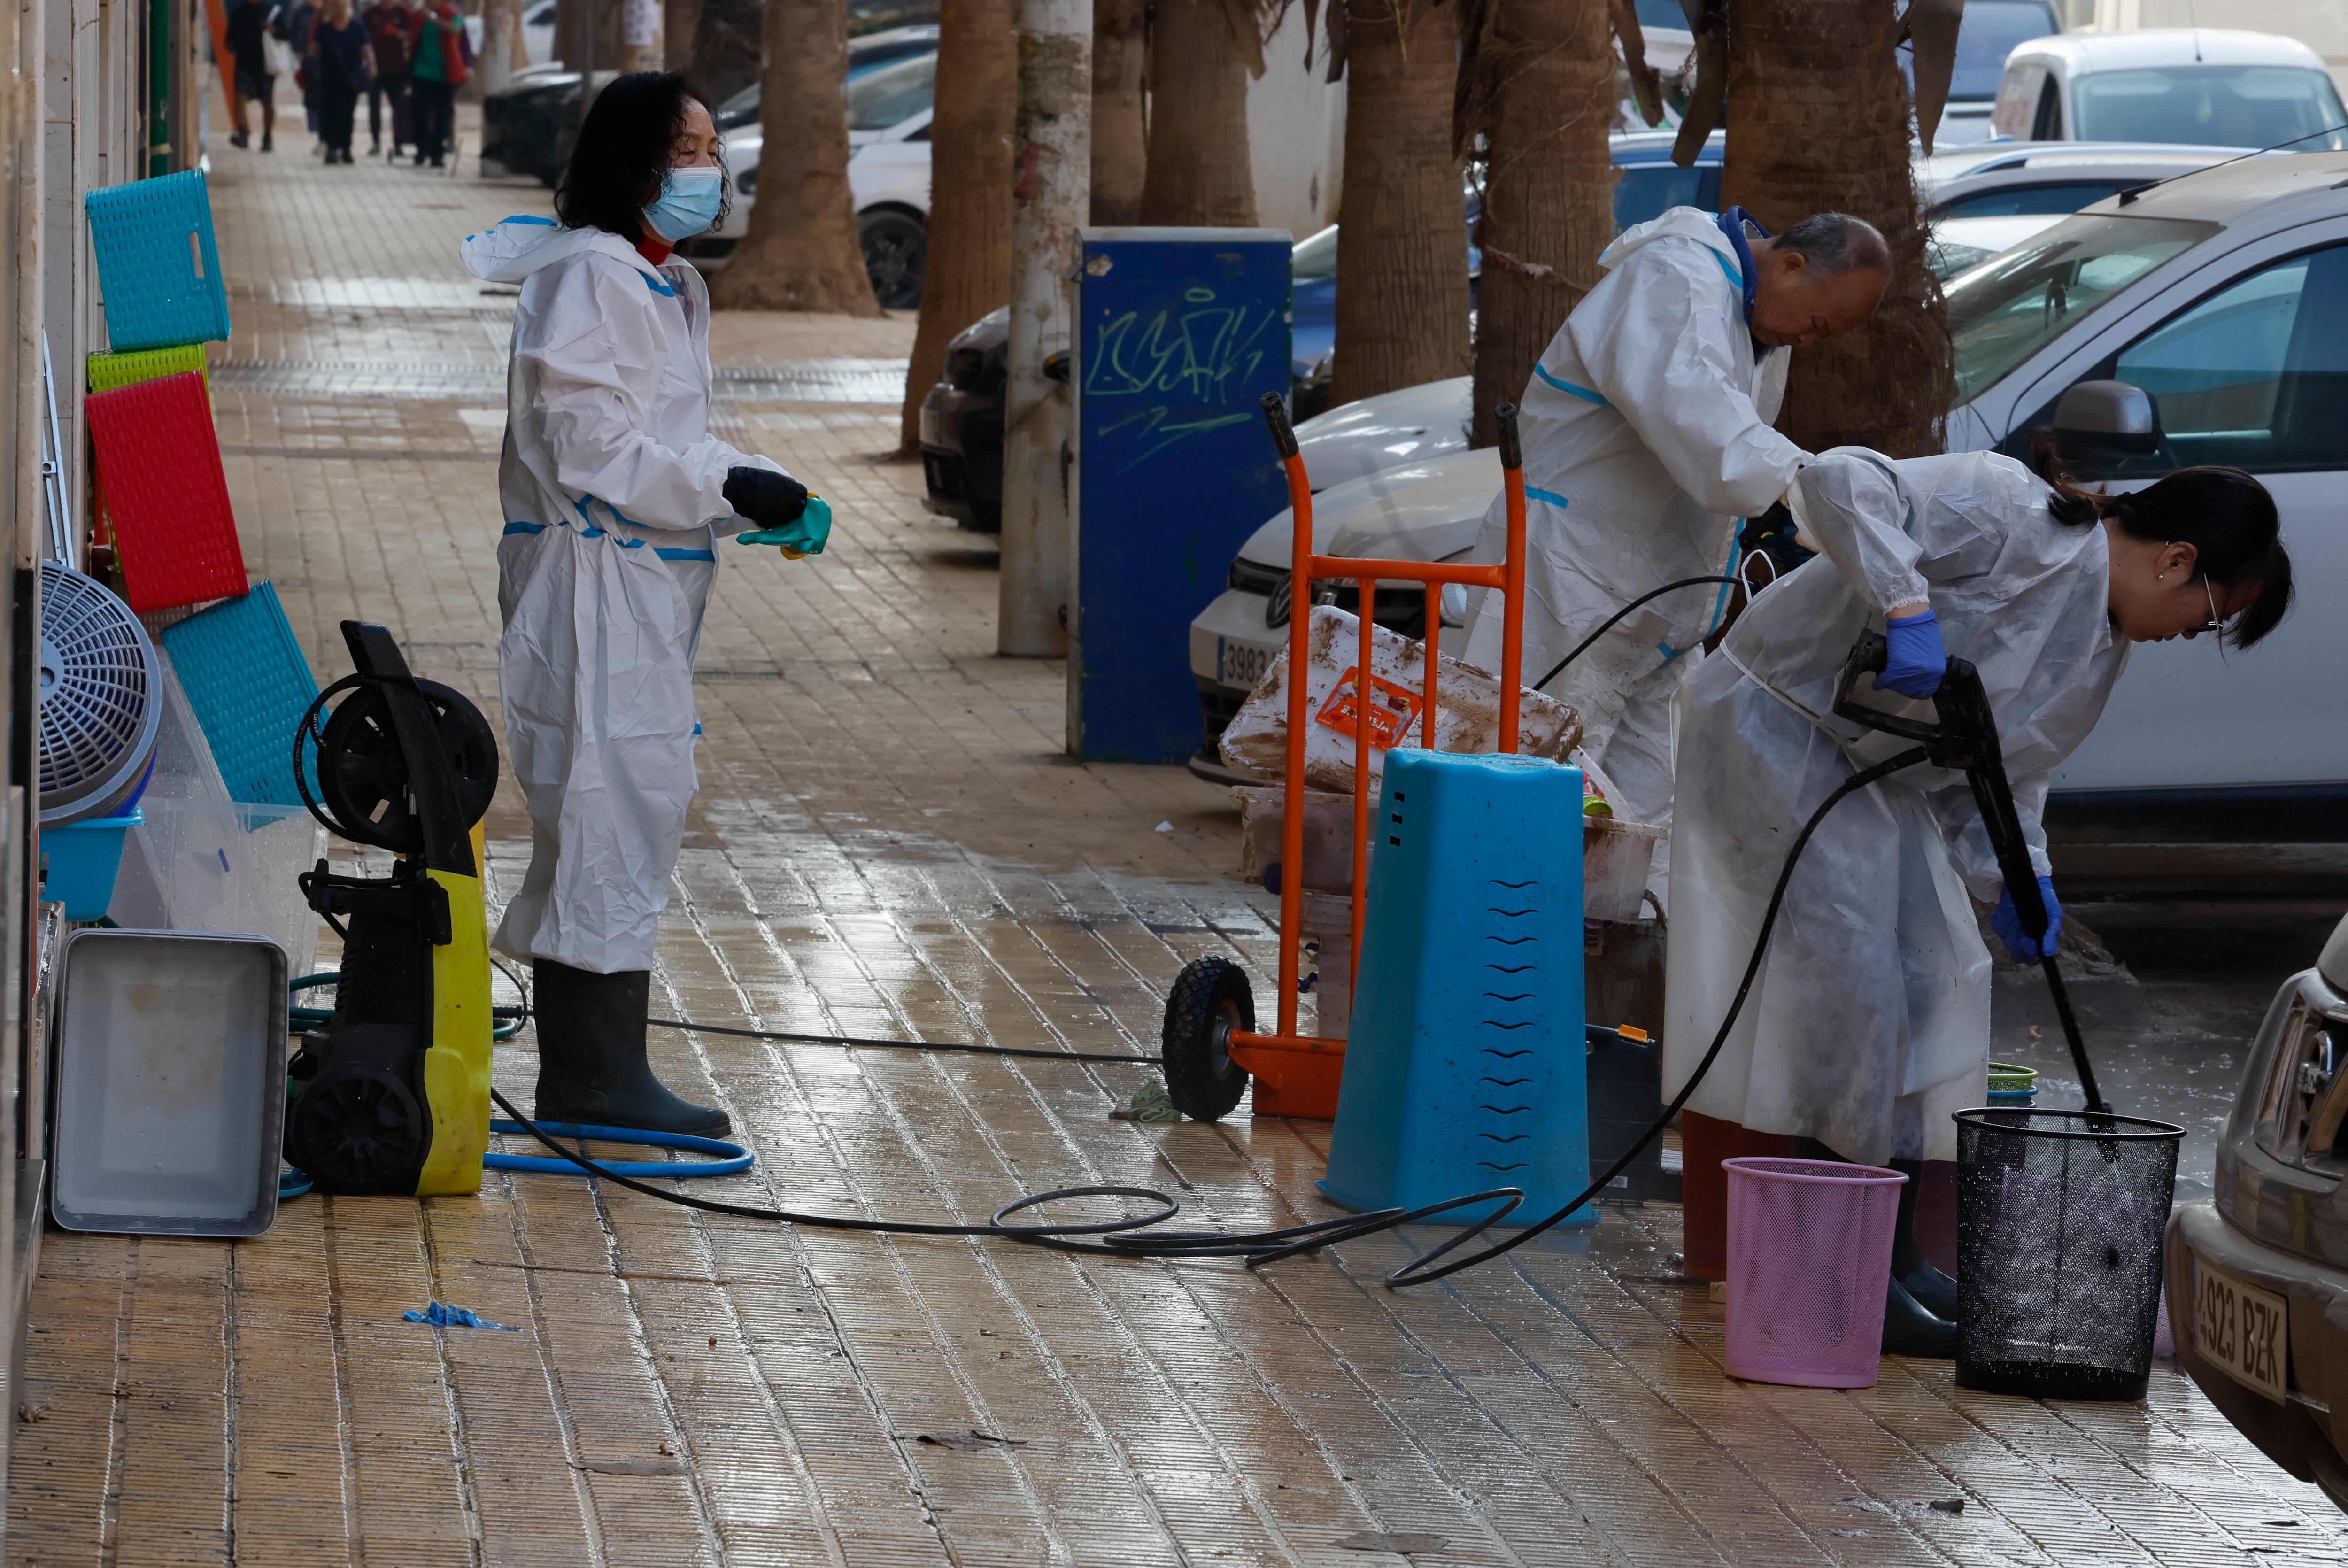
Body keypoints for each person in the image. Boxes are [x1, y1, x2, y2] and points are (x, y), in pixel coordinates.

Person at [1663, 441, 2293, 1352]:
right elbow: (1838, 480)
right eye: (2202, 618)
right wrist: (1905, 603)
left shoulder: (2097, 649)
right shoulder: (2008, 511)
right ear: (2175, 560)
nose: (2184, 637)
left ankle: (1895, 1255)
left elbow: (2002, 769)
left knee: (1936, 977)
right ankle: (1835, 1271)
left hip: (1864, 772)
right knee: (1855, 991)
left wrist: (2020, 877)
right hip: (1778, 725)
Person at [461, 73, 822, 1135]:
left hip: (633, 587)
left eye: (712, 147)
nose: (709, 169)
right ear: (635, 161)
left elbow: (662, 434)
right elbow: (589, 444)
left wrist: (759, 484)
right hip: (590, 585)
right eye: (690, 149)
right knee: (605, 807)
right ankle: (592, 1079)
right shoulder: (592, 276)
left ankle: (600, 1071)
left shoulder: (657, 282)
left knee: (631, 803)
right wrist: (723, 489)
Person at [1458, 207, 1890, 904]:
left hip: (1657, 605)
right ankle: (1487, 964)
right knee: (1523, 786)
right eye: (1819, 323)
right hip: (1568, 582)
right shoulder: (1675, 276)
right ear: (1790, 266)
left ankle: (1614, 977)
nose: (1813, 340)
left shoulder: (1762, 328)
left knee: (1645, 821)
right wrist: (1822, 493)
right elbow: (1708, 433)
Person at [308, 0, 374, 164]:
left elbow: (366, 48)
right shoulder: (325, 28)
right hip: (329, 79)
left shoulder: (357, 27)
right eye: (337, 6)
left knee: (348, 114)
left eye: (342, 6)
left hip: (351, 79)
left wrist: (371, 66)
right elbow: (314, 50)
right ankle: (332, 148)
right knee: (331, 113)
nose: (340, 9)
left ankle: (346, 148)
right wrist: (312, 69)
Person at [408, 0, 465, 167]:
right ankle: (421, 150)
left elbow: (455, 30)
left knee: (443, 115)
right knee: (420, 112)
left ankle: (437, 154)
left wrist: (433, 18)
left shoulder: (453, 13)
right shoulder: (419, 15)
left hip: (445, 74)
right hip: (421, 72)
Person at [359, 0, 414, 156]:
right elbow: (363, 39)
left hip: (397, 70)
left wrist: (398, 33)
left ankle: (398, 144)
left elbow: (413, 36)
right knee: (374, 106)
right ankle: (376, 143)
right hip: (375, 69)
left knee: (398, 108)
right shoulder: (371, 14)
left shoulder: (403, 14)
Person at [224, 0, 277, 150]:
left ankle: (267, 136)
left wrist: (273, 31)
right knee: (240, 98)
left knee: (268, 103)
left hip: (265, 66)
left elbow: (284, 35)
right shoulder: (238, 13)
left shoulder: (271, 13)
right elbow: (229, 40)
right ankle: (243, 132)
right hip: (244, 65)